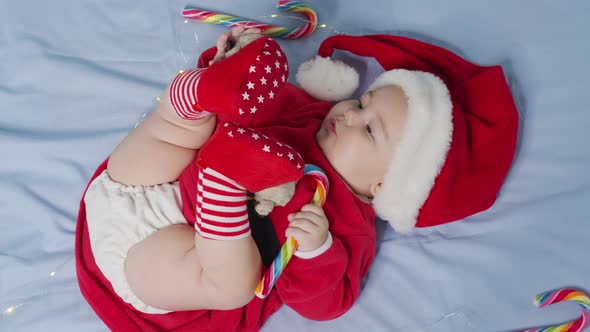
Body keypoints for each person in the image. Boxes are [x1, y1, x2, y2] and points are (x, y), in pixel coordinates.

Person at [75, 26, 518, 331]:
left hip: (170, 256)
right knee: (178, 133)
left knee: (229, 284)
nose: (347, 113)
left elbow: (325, 305)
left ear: (388, 185)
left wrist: (315, 250)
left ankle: (224, 182)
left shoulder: (347, 227)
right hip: (143, 191)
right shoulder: (305, 112)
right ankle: (194, 94)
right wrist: (233, 65)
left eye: (368, 129)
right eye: (362, 102)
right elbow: (251, 101)